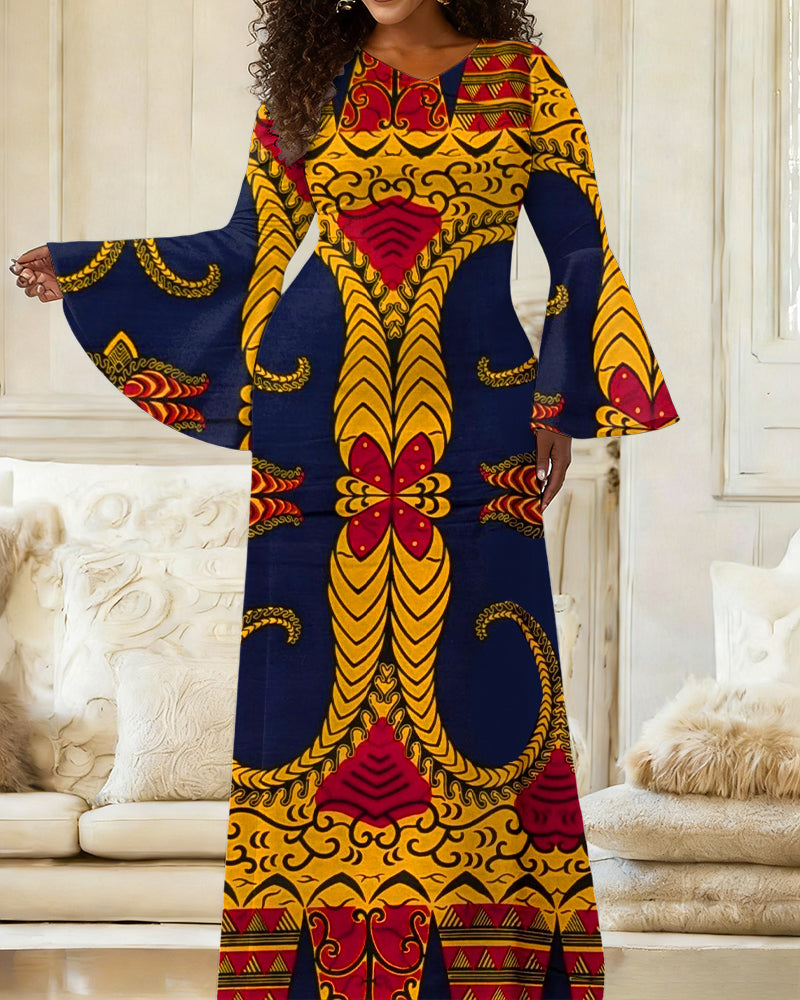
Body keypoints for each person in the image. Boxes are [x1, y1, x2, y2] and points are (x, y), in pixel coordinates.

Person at [9, 1, 679, 996]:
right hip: (316, 415)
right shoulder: (306, 85)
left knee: (482, 673)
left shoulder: (521, 81)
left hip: (477, 410)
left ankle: (485, 963)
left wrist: (556, 401)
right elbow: (245, 249)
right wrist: (92, 270)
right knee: (312, 678)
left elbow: (576, 251)